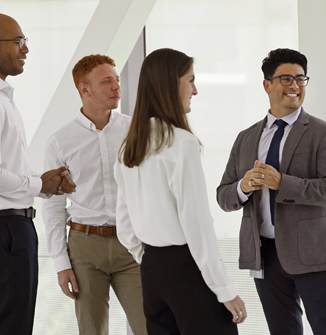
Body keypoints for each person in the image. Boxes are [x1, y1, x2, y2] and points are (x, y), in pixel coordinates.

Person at [0, 13, 76, 334]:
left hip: (5, 227)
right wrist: (38, 184)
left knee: (13, 327)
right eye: (18, 41)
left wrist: (45, 182)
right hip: (1, 229)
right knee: (11, 329)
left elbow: (0, 169)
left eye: (26, 42)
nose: (25, 49)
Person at [114, 48, 246, 335]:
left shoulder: (128, 147)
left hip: (152, 269)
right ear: (171, 85)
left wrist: (152, 260)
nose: (195, 90)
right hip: (187, 269)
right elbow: (197, 225)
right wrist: (224, 290)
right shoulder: (181, 143)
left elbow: (124, 227)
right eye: (191, 80)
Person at [216, 48, 326, 334]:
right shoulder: (246, 137)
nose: (295, 86)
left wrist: (282, 183)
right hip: (264, 256)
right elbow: (223, 195)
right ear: (267, 84)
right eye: (286, 79)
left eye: (301, 79)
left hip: (313, 253)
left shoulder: (323, 133)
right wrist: (243, 186)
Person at [43, 54, 147, 335]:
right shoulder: (60, 141)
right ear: (84, 89)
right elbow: (54, 207)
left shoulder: (135, 130)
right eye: (106, 81)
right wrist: (61, 263)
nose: (117, 86)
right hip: (84, 246)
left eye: (116, 79)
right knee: (92, 331)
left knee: (151, 327)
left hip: (132, 245)